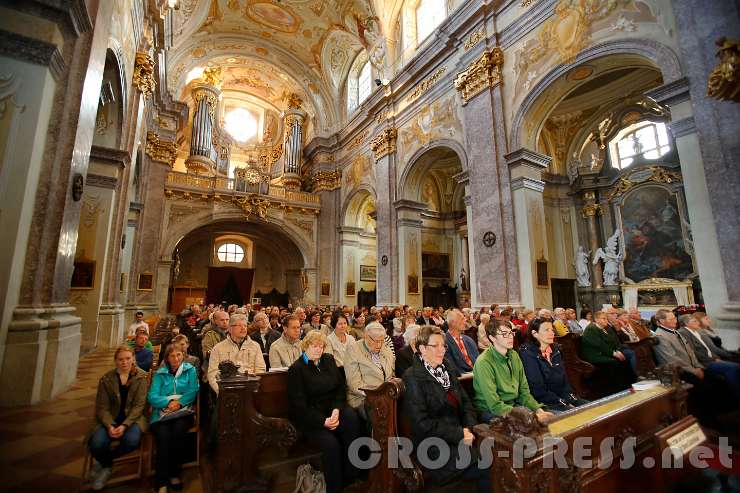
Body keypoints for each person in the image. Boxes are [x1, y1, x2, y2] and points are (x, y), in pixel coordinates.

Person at [403, 326, 490, 493]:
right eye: (435, 346)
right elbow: (421, 424)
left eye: (443, 345)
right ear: (422, 349)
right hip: (433, 445)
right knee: (489, 464)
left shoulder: (447, 368)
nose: (441, 350)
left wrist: (468, 429)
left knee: (500, 453)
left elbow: (466, 403)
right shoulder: (413, 376)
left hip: (461, 436)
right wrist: (459, 434)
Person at [287, 331, 361, 493]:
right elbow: (299, 407)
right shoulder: (297, 369)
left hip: (332, 411)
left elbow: (340, 389)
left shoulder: (328, 360)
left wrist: (336, 410)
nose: (318, 350)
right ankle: (335, 487)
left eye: (321, 346)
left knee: (352, 419)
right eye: (314, 346)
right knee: (331, 445)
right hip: (312, 418)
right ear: (305, 346)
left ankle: (352, 478)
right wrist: (323, 421)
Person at [87, 346, 149, 491]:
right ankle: (107, 465)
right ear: (115, 361)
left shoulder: (141, 377)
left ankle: (105, 463)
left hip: (133, 419)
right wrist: (109, 425)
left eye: (128, 358)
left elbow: (139, 406)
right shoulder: (107, 379)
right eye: (120, 359)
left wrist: (125, 425)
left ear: (133, 359)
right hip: (110, 419)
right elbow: (102, 407)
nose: (124, 362)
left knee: (132, 441)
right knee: (96, 443)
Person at [473, 319, 553, 422]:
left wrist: (538, 410)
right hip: (490, 411)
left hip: (513, 405)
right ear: (492, 338)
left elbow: (524, 392)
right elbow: (494, 405)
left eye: (511, 332)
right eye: (504, 334)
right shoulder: (484, 362)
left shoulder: (514, 355)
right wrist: (529, 415)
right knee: (531, 426)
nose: (510, 337)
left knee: (550, 419)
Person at [147, 344, 200, 493]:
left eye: (178, 355)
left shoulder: (190, 370)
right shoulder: (160, 373)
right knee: (163, 437)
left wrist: (180, 403)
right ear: (167, 358)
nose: (176, 358)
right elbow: (152, 395)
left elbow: (193, 390)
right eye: (172, 356)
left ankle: (175, 473)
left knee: (178, 433)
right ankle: (162, 480)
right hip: (162, 413)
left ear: (183, 356)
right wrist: (168, 403)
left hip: (183, 411)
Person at [518, 318, 588, 412]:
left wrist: (570, 398)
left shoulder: (555, 351)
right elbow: (538, 390)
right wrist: (561, 402)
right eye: (547, 330)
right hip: (545, 403)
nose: (552, 333)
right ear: (535, 334)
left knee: (593, 408)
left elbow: (564, 381)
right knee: (576, 417)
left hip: (561, 398)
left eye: (552, 330)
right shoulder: (528, 354)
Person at [678, 314, 740, 402]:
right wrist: (713, 359)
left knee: (736, 365)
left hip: (710, 358)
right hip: (704, 362)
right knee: (734, 368)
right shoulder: (683, 332)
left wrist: (715, 357)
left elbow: (707, 348)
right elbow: (693, 352)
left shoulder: (696, 331)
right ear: (686, 323)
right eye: (694, 321)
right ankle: (737, 397)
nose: (697, 322)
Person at [207, 314, 266, 394]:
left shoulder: (255, 346)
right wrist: (222, 392)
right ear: (230, 329)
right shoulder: (218, 348)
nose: (243, 328)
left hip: (251, 391)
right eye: (239, 326)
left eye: (245, 325)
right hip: (227, 392)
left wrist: (254, 390)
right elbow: (212, 374)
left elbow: (261, 370)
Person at [580, 311, 636, 394]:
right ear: (596, 319)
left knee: (624, 361)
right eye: (604, 319)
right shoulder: (592, 329)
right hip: (594, 355)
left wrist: (617, 351)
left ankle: (628, 385)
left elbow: (611, 342)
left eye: (606, 318)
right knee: (614, 362)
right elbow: (599, 345)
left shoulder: (602, 329)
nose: (606, 320)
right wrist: (614, 354)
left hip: (603, 353)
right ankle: (613, 389)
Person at [344, 322, 395, 411]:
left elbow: (392, 375)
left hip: (386, 396)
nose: (379, 345)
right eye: (375, 341)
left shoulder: (386, 348)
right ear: (366, 336)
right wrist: (378, 395)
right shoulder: (353, 349)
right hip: (362, 398)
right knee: (383, 412)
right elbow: (354, 385)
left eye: (382, 340)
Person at [445, 309, 479, 373]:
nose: (465, 320)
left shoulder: (469, 340)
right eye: (462, 319)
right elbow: (451, 367)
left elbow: (478, 360)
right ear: (452, 322)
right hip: (462, 379)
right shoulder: (444, 342)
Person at [201, 310, 229, 375]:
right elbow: (206, 354)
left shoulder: (232, 333)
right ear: (215, 321)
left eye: (227, 320)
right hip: (214, 369)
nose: (225, 322)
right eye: (222, 320)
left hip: (231, 369)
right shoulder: (209, 334)